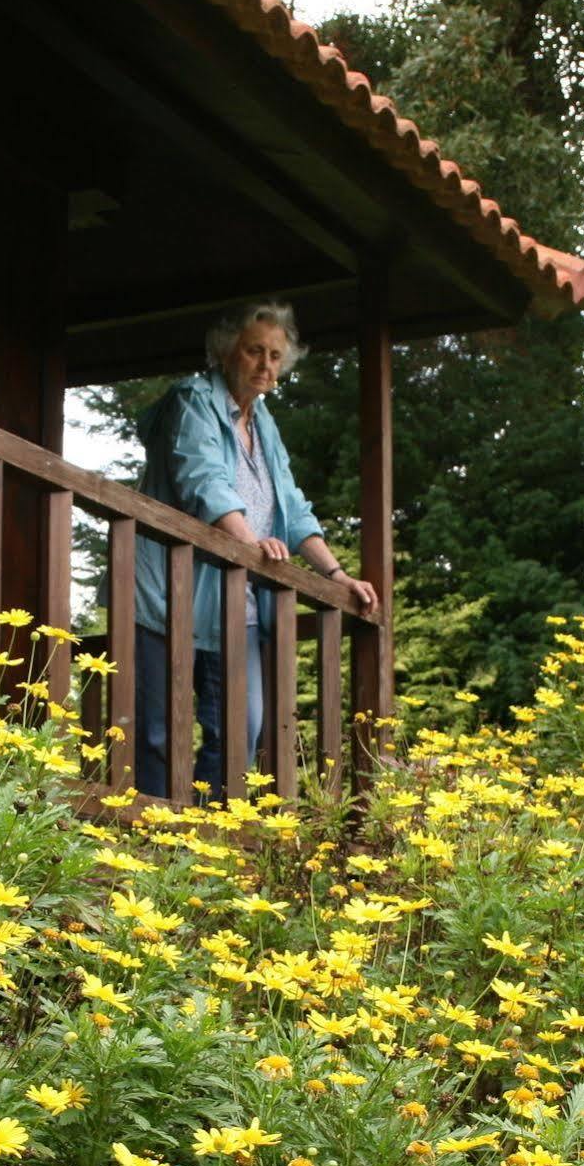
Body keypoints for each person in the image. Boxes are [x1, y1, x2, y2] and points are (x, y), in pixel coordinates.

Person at [128, 301, 379, 800]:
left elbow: (292, 506)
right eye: (254, 351)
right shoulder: (193, 401)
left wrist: (335, 574)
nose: (265, 364)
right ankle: (152, 839)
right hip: (168, 592)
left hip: (235, 600)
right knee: (159, 731)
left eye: (274, 355)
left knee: (242, 727)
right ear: (227, 352)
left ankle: (212, 835)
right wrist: (250, 543)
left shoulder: (264, 424)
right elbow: (204, 480)